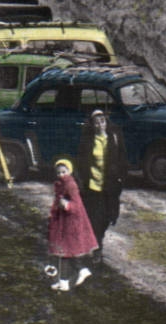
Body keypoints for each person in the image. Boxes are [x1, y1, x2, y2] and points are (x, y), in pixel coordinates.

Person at [73, 109, 127, 249]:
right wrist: (80, 180)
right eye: (96, 123)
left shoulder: (114, 137)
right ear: (92, 125)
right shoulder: (87, 140)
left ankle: (99, 237)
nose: (99, 125)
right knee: (94, 217)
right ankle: (97, 245)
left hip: (110, 185)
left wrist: (121, 178)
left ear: (106, 122)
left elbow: (122, 158)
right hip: (93, 186)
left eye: (102, 121)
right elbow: (81, 160)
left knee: (108, 217)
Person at [46, 159, 98, 291]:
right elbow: (57, 201)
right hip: (62, 222)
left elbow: (77, 205)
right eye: (59, 172)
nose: (61, 175)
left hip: (70, 223)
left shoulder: (71, 185)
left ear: (70, 171)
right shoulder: (60, 184)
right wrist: (53, 212)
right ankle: (71, 276)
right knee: (63, 252)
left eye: (64, 172)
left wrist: (68, 205)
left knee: (66, 252)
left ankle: (68, 278)